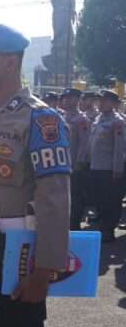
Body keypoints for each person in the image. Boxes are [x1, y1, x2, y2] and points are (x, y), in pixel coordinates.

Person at [0, 24, 71, 327]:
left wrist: (44, 269)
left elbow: (54, 199)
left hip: (15, 253)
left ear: (10, 63)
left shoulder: (40, 119)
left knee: (16, 326)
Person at [88, 90, 124, 243]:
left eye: (105, 100)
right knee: (99, 199)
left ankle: (109, 229)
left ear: (114, 104)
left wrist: (117, 169)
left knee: (111, 201)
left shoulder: (118, 122)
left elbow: (119, 148)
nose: (101, 103)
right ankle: (103, 225)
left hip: (109, 169)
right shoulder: (98, 119)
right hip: (96, 166)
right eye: (100, 100)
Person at [61, 88, 91, 230]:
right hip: (61, 164)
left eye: (69, 98)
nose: (65, 100)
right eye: (65, 98)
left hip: (74, 166)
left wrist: (79, 163)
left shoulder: (81, 120)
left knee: (76, 198)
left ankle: (74, 224)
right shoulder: (61, 117)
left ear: (77, 100)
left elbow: (84, 144)